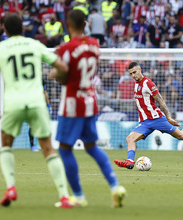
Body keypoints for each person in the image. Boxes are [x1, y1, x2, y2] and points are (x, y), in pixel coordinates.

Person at [0, 13, 73, 208]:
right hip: (36, 102)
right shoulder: (35, 45)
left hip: (13, 104)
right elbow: (61, 66)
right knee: (48, 149)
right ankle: (64, 196)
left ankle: (10, 187)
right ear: (23, 29)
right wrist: (57, 77)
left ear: (5, 31)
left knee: (6, 145)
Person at [49, 9, 126, 208]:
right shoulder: (95, 45)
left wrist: (54, 73)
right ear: (86, 24)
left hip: (72, 104)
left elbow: (62, 76)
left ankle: (78, 196)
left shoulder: (65, 48)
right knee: (91, 147)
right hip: (90, 102)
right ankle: (115, 186)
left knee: (65, 150)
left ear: (68, 24)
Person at [114, 61, 183, 169]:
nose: (133, 75)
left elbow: (161, 101)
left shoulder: (148, 83)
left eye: (134, 72)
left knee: (181, 136)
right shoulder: (136, 85)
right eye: (131, 74)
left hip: (157, 119)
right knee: (130, 139)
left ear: (140, 69)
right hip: (145, 122)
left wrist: (168, 117)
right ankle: (130, 161)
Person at [29, 79, 52, 152]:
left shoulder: (41, 81)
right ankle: (32, 145)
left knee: (41, 125)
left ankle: (41, 145)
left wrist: (48, 105)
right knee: (32, 126)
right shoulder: (29, 82)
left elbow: (45, 93)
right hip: (31, 105)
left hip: (40, 106)